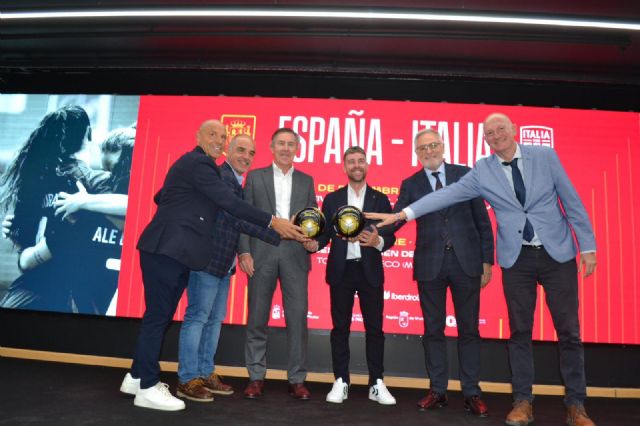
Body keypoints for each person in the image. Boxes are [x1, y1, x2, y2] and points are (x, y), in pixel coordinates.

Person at [366, 113, 597, 426]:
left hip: (557, 255)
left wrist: (587, 246)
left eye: (501, 128)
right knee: (519, 333)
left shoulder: (545, 156)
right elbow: (444, 195)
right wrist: (403, 214)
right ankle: (522, 402)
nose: (496, 134)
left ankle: (576, 405)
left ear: (514, 130)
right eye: (490, 132)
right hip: (517, 260)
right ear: (485, 139)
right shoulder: (482, 170)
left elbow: (571, 200)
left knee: (569, 332)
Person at [119, 120, 306, 412]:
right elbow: (231, 208)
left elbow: (164, 196)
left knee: (161, 317)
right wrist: (274, 223)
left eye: (222, 136)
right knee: (161, 318)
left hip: (178, 253)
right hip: (169, 251)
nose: (218, 140)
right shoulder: (203, 166)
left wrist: (278, 232)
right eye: (213, 136)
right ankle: (148, 387)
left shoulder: (199, 168)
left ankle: (136, 376)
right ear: (199, 137)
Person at [392, 129, 494, 416]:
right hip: (430, 264)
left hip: (467, 262)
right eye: (422, 148)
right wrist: (374, 234)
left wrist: (487, 261)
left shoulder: (467, 174)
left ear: (443, 147)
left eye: (433, 145)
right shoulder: (410, 183)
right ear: (416, 153)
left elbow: (482, 221)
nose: (428, 151)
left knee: (469, 330)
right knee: (433, 330)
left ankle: (472, 392)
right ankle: (438, 390)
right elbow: (397, 219)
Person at [176, 134, 281, 402]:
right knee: (198, 318)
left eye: (251, 153)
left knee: (213, 320)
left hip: (224, 264)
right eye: (241, 150)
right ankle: (187, 379)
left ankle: (205, 372)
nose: (246, 156)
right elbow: (238, 220)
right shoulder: (222, 177)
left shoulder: (237, 182)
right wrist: (280, 231)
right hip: (207, 261)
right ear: (228, 151)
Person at [305, 146, 397, 405]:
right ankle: (341, 381)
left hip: (370, 272)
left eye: (360, 161)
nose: (356, 165)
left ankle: (376, 383)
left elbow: (390, 237)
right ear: (344, 167)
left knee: (375, 330)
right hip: (341, 271)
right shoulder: (333, 199)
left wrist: (378, 241)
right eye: (351, 162)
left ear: (367, 165)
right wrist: (314, 244)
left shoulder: (380, 200)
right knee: (340, 329)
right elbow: (323, 234)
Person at [0, 105, 109, 312]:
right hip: (73, 290)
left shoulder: (34, 177)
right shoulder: (93, 181)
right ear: (88, 133)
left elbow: (23, 251)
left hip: (34, 284)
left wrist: (24, 245)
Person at [238, 128, 317, 400]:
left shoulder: (307, 180)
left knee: (297, 320)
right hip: (261, 254)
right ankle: (256, 377)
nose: (286, 148)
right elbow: (244, 217)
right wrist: (244, 252)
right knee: (257, 318)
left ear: (297, 149)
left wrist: (311, 240)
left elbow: (311, 219)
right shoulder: (255, 177)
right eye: (281, 143)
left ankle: (297, 379)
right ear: (271, 147)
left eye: (291, 144)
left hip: (296, 255)